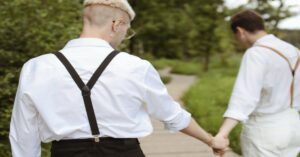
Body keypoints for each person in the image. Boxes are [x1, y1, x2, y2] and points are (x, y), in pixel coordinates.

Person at [9, 0, 228, 156]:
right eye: (127, 30)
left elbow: (23, 133)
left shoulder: (36, 67)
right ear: (116, 24)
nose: (125, 36)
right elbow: (172, 115)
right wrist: (211, 140)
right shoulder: (135, 67)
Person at [213, 10, 300, 157]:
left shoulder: (256, 53)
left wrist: (223, 133)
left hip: (265, 130)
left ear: (240, 31)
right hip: (293, 125)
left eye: (236, 36)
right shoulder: (293, 51)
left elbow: (244, 97)